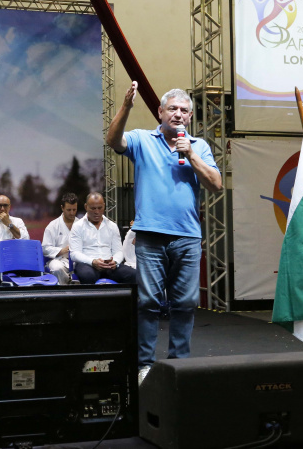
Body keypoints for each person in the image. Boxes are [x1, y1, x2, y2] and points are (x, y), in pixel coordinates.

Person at [106, 82, 222, 384]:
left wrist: (192, 156)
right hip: (150, 237)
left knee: (184, 304)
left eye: (185, 111)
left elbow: (216, 184)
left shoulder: (200, 146)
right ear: (160, 112)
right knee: (147, 303)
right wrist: (126, 107)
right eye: (172, 109)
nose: (179, 114)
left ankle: (178, 365)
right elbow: (112, 140)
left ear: (190, 117)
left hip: (187, 237)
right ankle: (145, 365)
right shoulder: (143, 140)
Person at [69, 193, 135, 285]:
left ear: (104, 206)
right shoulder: (78, 226)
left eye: (100, 208)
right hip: (87, 264)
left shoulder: (112, 226)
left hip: (109, 266)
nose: (97, 212)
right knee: (88, 275)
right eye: (93, 208)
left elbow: (119, 251)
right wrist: (92, 262)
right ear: (86, 207)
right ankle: (92, 299)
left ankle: (123, 299)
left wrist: (115, 262)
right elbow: (74, 254)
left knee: (133, 274)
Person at [42, 193, 79, 285]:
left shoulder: (81, 224)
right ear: (62, 208)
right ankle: (64, 292)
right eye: (69, 210)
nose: (72, 213)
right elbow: (45, 248)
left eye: (74, 210)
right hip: (59, 260)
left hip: (78, 261)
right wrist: (62, 250)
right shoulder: (53, 226)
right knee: (56, 268)